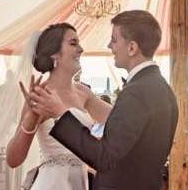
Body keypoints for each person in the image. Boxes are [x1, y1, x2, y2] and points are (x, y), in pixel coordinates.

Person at [27, 11, 179, 190]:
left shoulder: (136, 93)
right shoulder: (162, 89)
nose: (109, 45)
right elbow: (125, 140)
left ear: (131, 48)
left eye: (114, 40)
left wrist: (61, 114)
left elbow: (104, 157)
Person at [6, 22, 114, 190]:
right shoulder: (41, 95)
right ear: (54, 54)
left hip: (80, 182)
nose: (81, 49)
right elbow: (13, 159)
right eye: (73, 43)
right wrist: (31, 119)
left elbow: (120, 119)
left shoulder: (83, 92)